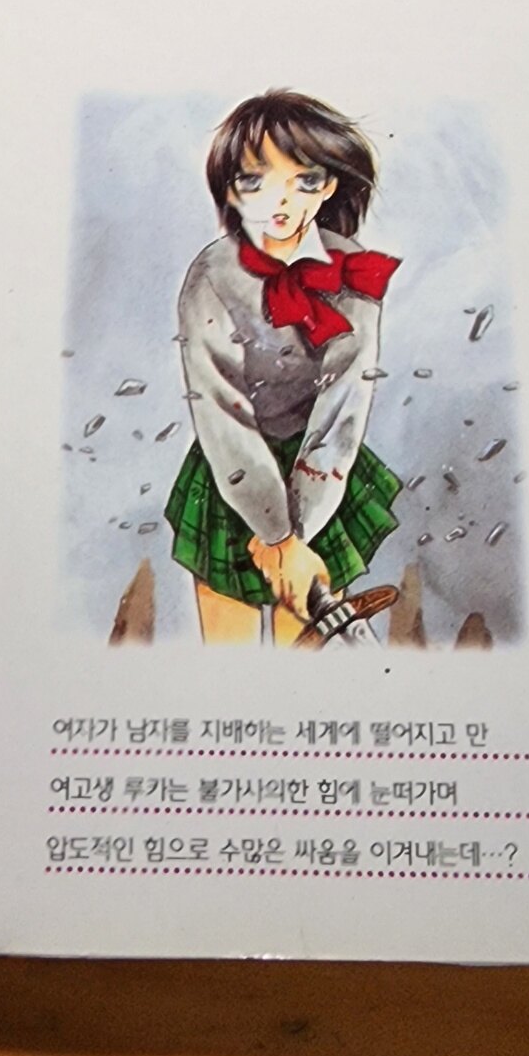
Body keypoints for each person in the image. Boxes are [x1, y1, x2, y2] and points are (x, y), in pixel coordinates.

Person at [165, 90, 403, 645]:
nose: (281, 199)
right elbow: (221, 411)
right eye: (255, 180)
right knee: (229, 654)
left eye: (305, 180)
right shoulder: (212, 274)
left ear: (331, 185)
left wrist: (299, 535)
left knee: (310, 652)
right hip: (233, 475)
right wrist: (275, 536)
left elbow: (342, 410)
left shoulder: (353, 271)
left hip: (321, 477)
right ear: (230, 189)